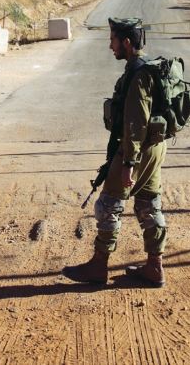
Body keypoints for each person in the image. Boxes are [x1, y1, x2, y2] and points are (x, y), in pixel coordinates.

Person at [62, 17, 168, 287]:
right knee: (148, 203)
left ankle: (98, 266)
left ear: (127, 42)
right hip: (155, 147)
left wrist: (129, 162)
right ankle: (154, 267)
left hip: (138, 148)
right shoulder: (147, 68)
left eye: (113, 40)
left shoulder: (138, 75)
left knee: (109, 204)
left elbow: (136, 122)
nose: (110, 46)